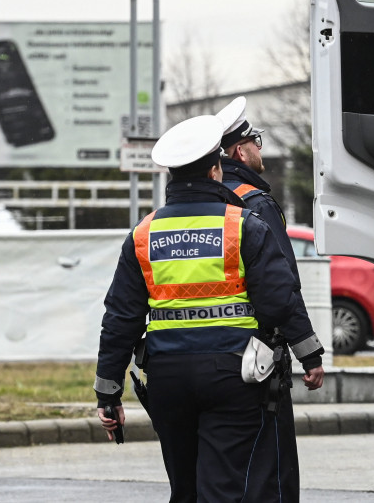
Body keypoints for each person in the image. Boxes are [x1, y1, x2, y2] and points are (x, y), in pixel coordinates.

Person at [94, 114, 325, 503]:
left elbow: (121, 318)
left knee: (185, 489)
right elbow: (278, 298)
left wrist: (108, 392)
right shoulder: (243, 226)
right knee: (222, 487)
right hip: (230, 376)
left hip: (167, 378)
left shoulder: (143, 234)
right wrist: (310, 355)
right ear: (216, 170)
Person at [214, 95, 313, 500]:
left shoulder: (206, 199)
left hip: (207, 355)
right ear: (241, 150)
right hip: (258, 356)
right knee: (272, 467)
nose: (261, 146)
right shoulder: (255, 203)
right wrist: (309, 352)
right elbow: (282, 283)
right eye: (256, 139)